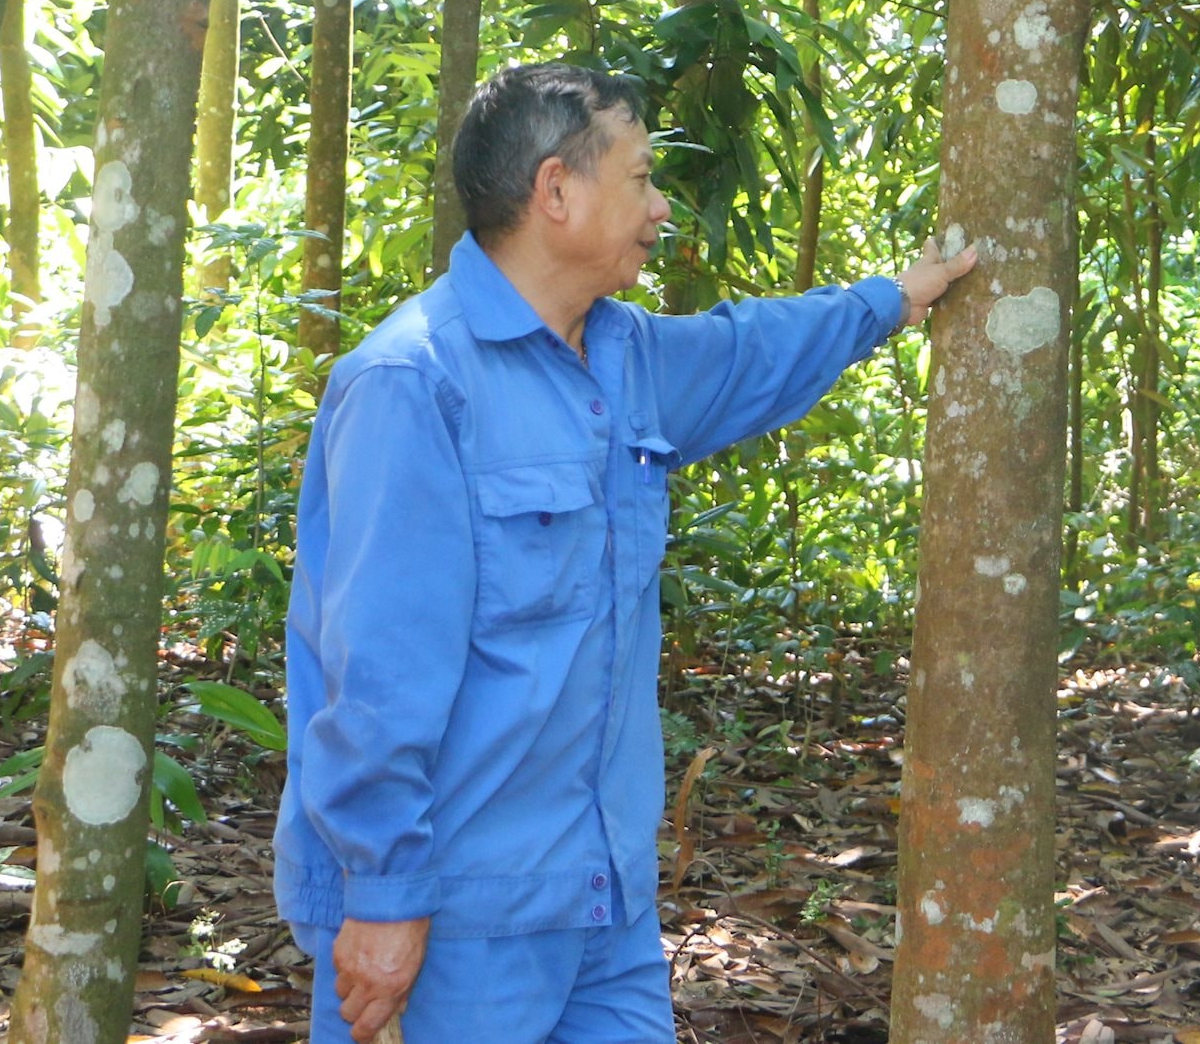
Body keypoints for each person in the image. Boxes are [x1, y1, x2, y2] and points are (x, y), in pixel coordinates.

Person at [273, 63, 977, 1044]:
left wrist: (896, 297)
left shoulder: (626, 356)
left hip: (604, 901)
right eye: (640, 178)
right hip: (455, 919)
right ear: (555, 191)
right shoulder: (411, 382)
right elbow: (377, 676)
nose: (660, 207)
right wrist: (386, 894)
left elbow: (752, 349)